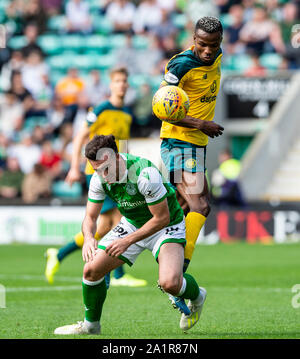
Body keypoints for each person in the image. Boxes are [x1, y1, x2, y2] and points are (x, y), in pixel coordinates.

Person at [54, 134, 207, 335]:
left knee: (170, 283)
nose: (102, 176)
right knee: (91, 270)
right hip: (132, 224)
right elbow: (90, 218)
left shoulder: (144, 174)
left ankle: (197, 297)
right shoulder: (99, 178)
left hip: (166, 226)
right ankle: (91, 326)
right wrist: (89, 238)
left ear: (117, 157)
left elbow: (161, 218)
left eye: (106, 169)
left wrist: (126, 241)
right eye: (97, 170)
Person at [45, 67, 147, 288]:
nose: (121, 84)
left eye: (124, 81)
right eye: (117, 81)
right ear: (111, 85)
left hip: (119, 173)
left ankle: (59, 254)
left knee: (105, 228)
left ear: (128, 85)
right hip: (98, 173)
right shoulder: (100, 109)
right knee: (120, 221)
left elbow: (124, 145)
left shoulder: (127, 113)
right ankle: (118, 275)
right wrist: (73, 168)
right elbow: (80, 136)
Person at [158, 17, 224, 308]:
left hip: (196, 145)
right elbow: (161, 106)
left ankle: (166, 268)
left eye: (213, 44)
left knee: (184, 210)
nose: (208, 51)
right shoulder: (180, 65)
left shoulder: (217, 55)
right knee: (201, 205)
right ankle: (177, 279)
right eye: (202, 44)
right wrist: (201, 123)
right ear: (192, 39)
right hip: (179, 141)